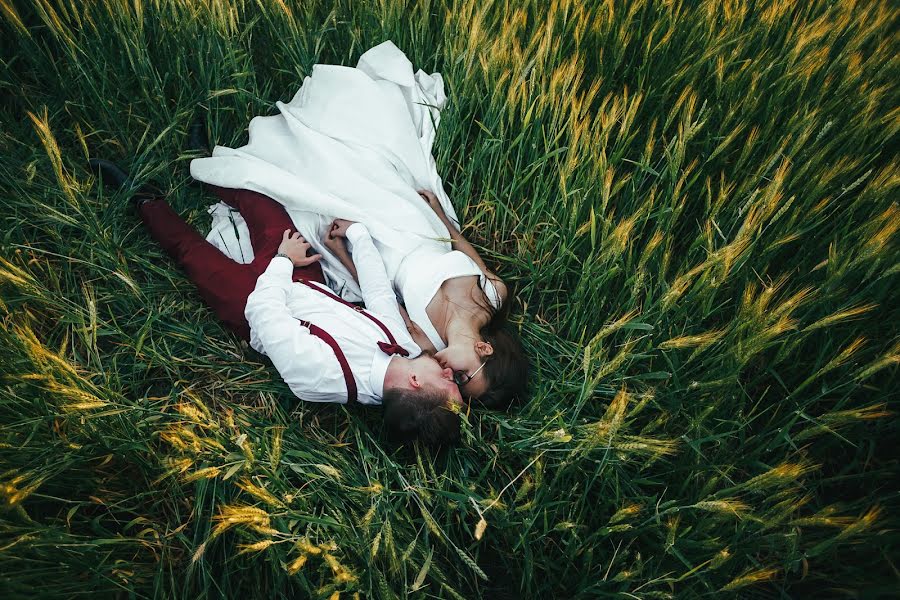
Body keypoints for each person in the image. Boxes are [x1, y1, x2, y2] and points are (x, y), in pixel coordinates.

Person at [189, 41, 528, 409]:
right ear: (484, 349)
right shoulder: (493, 294)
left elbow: (380, 299)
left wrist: (342, 249)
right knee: (362, 158)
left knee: (322, 189)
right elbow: (463, 247)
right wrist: (441, 216)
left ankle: (219, 164)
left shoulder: (425, 345)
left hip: (381, 245)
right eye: (465, 377)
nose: (452, 380)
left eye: (458, 387)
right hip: (416, 226)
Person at [89, 159, 464, 446]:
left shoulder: (319, 377)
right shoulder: (404, 348)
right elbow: (379, 294)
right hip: (303, 278)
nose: (450, 372)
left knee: (191, 253)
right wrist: (358, 237)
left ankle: (144, 198)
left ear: (414, 382)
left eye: (446, 382)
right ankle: (205, 164)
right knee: (264, 206)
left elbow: (264, 316)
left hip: (250, 301)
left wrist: (283, 260)